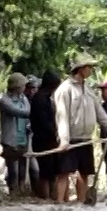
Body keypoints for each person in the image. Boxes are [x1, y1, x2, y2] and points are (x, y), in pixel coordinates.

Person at [54, 55, 107, 205]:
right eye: (89, 67)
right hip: (70, 138)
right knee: (64, 172)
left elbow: (100, 113)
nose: (91, 70)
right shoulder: (65, 89)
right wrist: (64, 140)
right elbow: (62, 116)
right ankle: (59, 201)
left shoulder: (88, 90)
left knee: (84, 172)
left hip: (85, 138)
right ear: (81, 69)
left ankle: (81, 201)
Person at [28, 70, 61, 200]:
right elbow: (43, 121)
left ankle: (52, 197)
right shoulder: (40, 99)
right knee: (46, 172)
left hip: (49, 139)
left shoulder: (45, 98)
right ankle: (46, 197)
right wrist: (55, 132)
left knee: (52, 171)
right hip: (43, 140)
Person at [0, 73, 32, 196]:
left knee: (22, 167)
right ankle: (13, 191)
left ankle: (21, 190)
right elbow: (22, 112)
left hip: (23, 138)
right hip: (10, 140)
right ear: (16, 86)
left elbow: (27, 111)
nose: (24, 88)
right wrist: (28, 113)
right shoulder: (4, 101)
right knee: (13, 169)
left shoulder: (24, 98)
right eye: (23, 85)